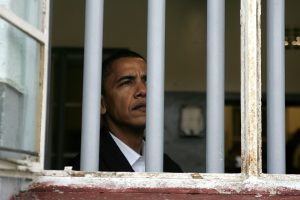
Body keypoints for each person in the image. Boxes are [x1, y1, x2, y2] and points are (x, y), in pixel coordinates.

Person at [72, 49, 182, 172]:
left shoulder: (169, 169)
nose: (143, 90)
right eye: (127, 82)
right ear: (102, 104)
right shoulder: (84, 171)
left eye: (147, 81)